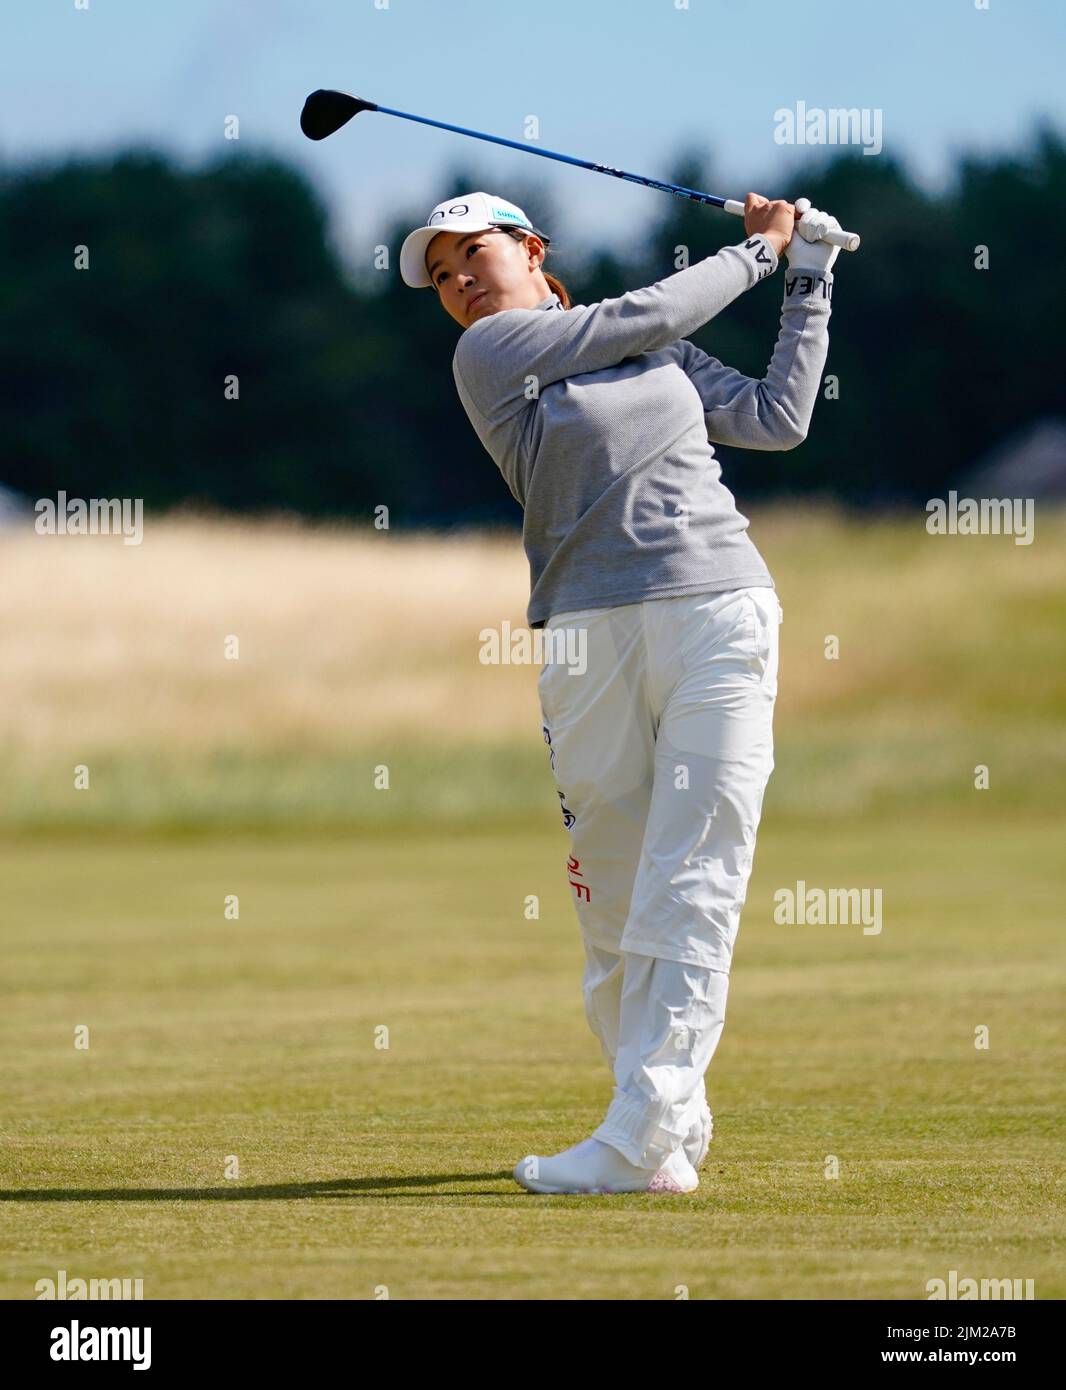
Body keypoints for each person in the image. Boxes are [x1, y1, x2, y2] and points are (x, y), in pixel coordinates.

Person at [400, 190, 839, 1194]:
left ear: (532, 248)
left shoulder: (655, 349)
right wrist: (758, 251)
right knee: (611, 897)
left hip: (717, 606)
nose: (459, 282)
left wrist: (806, 275)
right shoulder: (496, 353)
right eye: (440, 277)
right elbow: (642, 315)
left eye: (473, 255)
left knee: (697, 866)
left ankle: (641, 1131)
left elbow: (776, 420)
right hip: (586, 635)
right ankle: (654, 1116)